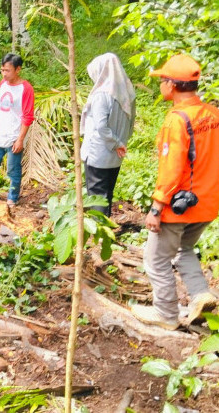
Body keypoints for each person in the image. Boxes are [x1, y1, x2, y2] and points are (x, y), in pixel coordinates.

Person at [131, 54, 219, 330]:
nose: (160, 85)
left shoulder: (177, 121)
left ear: (171, 85)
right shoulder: (213, 115)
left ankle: (166, 314)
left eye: (162, 80)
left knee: (155, 258)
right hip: (208, 203)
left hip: (180, 205)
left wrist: (157, 208)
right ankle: (200, 294)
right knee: (185, 248)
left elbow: (172, 168)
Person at [80, 53, 136, 216]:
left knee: (97, 195)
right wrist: (121, 143)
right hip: (116, 154)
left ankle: (100, 233)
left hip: (99, 153)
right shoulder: (128, 93)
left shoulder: (102, 95)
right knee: (106, 193)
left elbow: (101, 126)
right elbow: (131, 123)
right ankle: (105, 229)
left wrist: (116, 143)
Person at [0, 53, 34, 205]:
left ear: (18, 69)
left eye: (8, 70)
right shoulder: (2, 84)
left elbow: (27, 116)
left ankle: (12, 198)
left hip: (14, 137)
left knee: (13, 170)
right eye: (2, 70)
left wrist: (20, 139)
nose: (4, 74)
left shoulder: (25, 89)